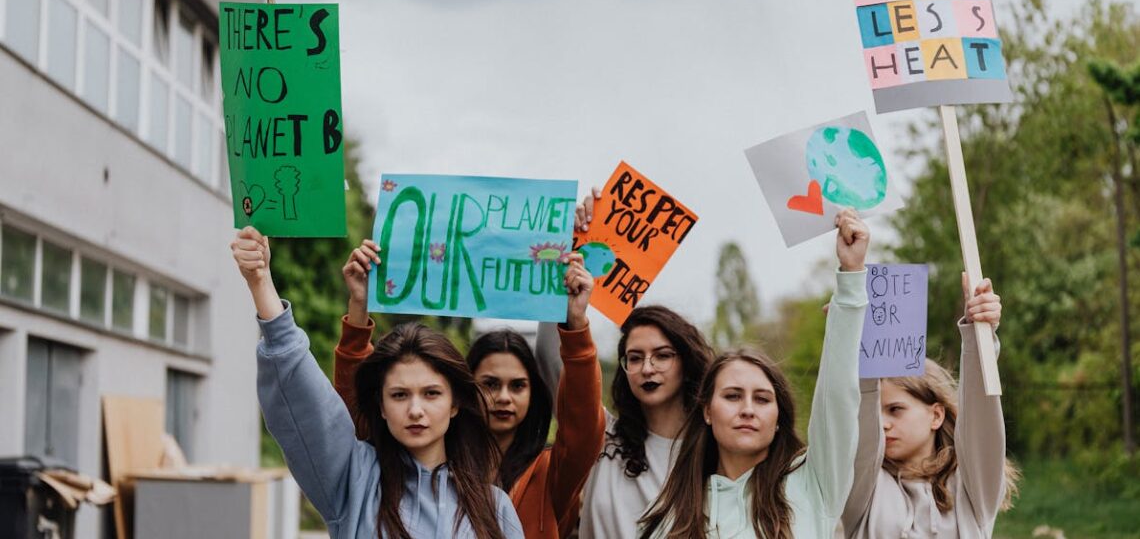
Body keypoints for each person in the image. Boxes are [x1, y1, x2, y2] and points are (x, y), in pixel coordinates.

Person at [231, 226, 524, 539]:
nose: (415, 410)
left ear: (454, 405)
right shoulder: (353, 478)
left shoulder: (496, 508)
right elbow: (306, 396)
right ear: (381, 406)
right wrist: (260, 282)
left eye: (431, 394)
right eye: (399, 395)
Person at [335, 242, 606, 539]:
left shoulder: (550, 473)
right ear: (461, 396)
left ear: (535, 393)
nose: (503, 397)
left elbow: (584, 428)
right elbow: (357, 417)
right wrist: (358, 314)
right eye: (490, 384)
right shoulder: (424, 457)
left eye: (518, 386)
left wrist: (577, 325)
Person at [638, 208, 870, 539]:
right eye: (732, 396)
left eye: (762, 399)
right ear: (706, 410)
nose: (747, 408)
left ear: (778, 418)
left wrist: (850, 278)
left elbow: (838, 399)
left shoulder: (812, 485)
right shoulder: (663, 523)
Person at [838, 274, 1020, 539]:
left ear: (935, 415)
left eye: (895, 409)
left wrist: (978, 335)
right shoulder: (863, 488)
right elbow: (861, 414)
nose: (882, 423)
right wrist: (851, 336)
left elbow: (981, 420)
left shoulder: (972, 489)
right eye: (877, 412)